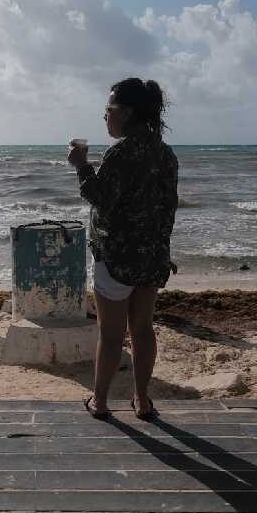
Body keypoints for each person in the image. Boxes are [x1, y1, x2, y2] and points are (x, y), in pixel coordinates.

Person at [67, 78, 179, 420]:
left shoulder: (121, 152)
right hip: (152, 257)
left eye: (109, 110)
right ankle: (142, 400)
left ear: (127, 113)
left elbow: (101, 198)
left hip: (117, 257)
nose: (105, 117)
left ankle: (100, 401)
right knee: (142, 330)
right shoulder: (166, 154)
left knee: (111, 334)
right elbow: (168, 207)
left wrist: (81, 165)